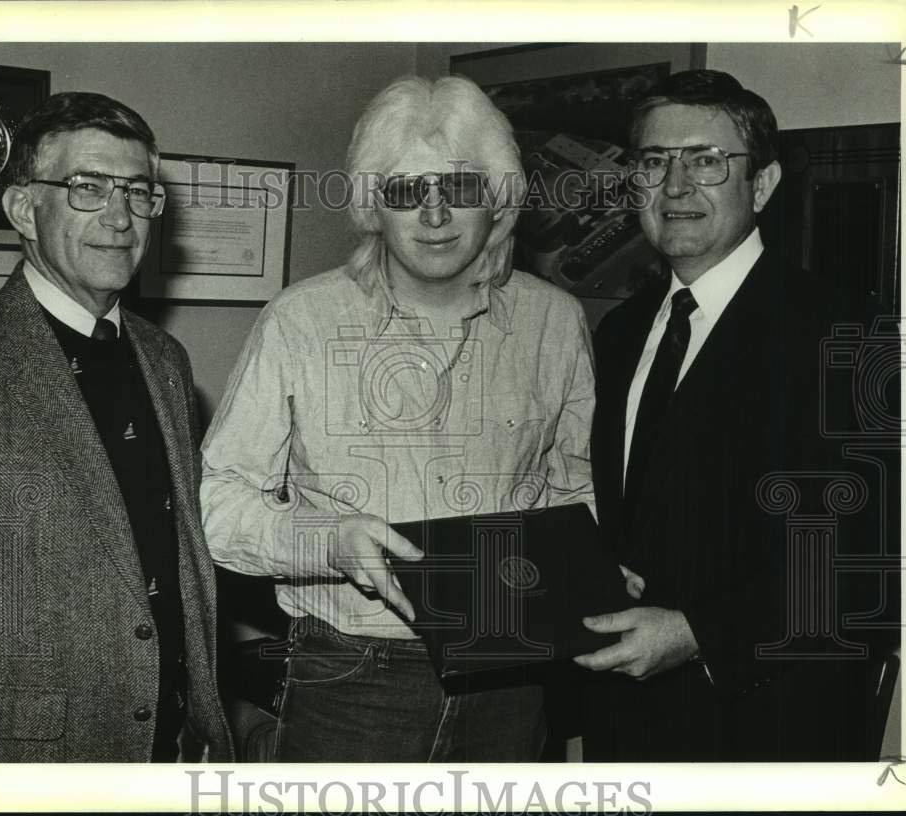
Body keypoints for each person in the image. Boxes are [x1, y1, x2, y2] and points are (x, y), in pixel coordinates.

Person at [201, 75, 596, 762]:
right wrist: (329, 542)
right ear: (373, 206)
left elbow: (578, 484)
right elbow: (218, 505)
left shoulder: (555, 322)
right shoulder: (301, 321)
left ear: (497, 200)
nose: (435, 215)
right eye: (407, 191)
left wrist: (591, 574)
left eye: (460, 188)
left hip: (513, 671)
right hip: (348, 673)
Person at [577, 69, 898, 760]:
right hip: (627, 729)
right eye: (654, 162)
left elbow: (869, 563)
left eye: (707, 160)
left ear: (763, 184)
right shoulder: (620, 331)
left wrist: (699, 632)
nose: (675, 186)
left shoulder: (847, 330)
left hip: (770, 723)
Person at [0, 92, 233, 763]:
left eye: (138, 192)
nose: (120, 218)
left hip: (172, 746)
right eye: (87, 188)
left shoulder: (165, 359)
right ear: (24, 209)